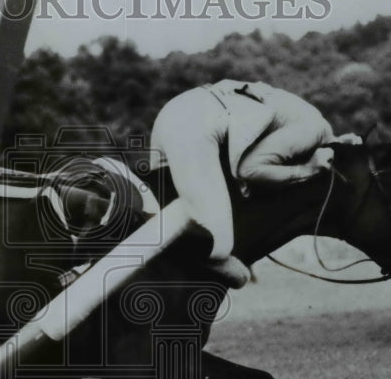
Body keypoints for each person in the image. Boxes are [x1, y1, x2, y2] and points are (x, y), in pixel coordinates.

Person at [149, 79, 360, 288]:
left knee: (160, 213)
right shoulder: (315, 130)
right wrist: (306, 170)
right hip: (196, 120)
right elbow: (249, 169)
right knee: (219, 245)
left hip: (176, 112)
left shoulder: (309, 118)